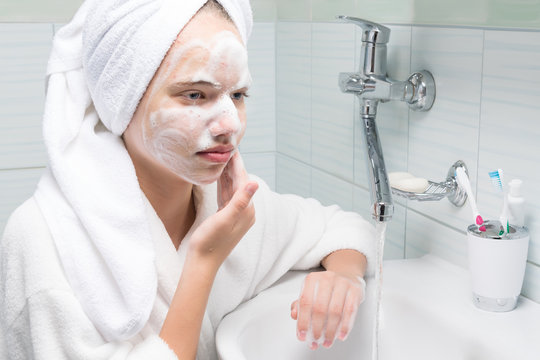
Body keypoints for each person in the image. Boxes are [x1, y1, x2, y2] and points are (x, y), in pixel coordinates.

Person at [0, 0, 376, 359]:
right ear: (121, 100)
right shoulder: (43, 238)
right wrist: (205, 260)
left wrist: (344, 276)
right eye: (195, 94)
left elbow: (343, 228)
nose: (231, 124)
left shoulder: (229, 205)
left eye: (238, 94)